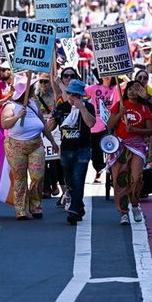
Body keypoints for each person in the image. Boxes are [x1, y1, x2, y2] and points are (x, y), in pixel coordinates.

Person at [0, 74, 50, 220]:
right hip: (16, 147)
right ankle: (21, 209)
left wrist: (52, 141)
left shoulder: (33, 104)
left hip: (36, 145)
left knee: (38, 176)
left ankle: (36, 206)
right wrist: (17, 116)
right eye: (31, 88)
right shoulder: (10, 106)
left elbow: (43, 124)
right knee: (20, 178)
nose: (34, 89)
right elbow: (5, 124)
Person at [47, 79, 96, 225]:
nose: (73, 97)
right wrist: (51, 119)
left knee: (78, 179)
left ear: (81, 96)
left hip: (82, 149)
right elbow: (50, 127)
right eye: (71, 94)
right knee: (69, 180)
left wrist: (82, 108)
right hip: (66, 149)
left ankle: (73, 211)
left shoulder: (88, 107)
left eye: (77, 95)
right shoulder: (62, 107)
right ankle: (79, 206)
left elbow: (91, 123)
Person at [107, 80, 152, 225]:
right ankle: (123, 213)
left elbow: (150, 130)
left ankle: (134, 204)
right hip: (120, 146)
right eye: (129, 89)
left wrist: (135, 131)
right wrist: (119, 114)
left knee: (136, 178)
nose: (132, 92)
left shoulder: (144, 108)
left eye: (136, 89)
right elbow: (109, 125)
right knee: (119, 180)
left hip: (137, 147)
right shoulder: (120, 105)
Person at [86, 75, 119, 184]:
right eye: (104, 74)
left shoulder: (116, 88)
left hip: (110, 124)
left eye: (110, 74)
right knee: (96, 154)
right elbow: (81, 92)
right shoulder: (94, 88)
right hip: (95, 125)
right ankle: (98, 171)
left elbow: (128, 86)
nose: (107, 76)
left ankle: (112, 174)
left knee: (112, 150)